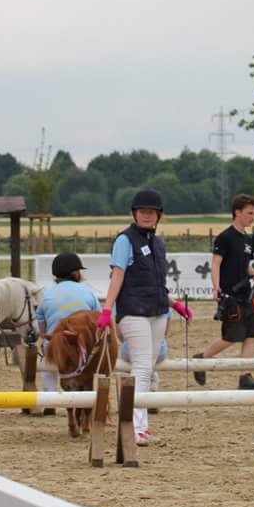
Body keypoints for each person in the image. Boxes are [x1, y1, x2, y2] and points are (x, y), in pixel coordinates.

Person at [96, 189, 193, 446]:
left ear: (159, 215)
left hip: (158, 311)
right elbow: (117, 277)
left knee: (148, 368)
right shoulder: (124, 241)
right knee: (140, 366)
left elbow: (156, 284)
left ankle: (141, 426)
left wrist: (175, 304)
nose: (147, 216)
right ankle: (133, 426)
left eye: (151, 212)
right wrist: (107, 310)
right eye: (142, 212)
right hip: (133, 312)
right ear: (135, 214)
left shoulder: (158, 243)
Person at [192, 193, 254, 390]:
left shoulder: (247, 239)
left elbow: (245, 265)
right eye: (250, 213)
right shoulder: (225, 237)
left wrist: (253, 273)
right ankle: (201, 359)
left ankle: (245, 377)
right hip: (230, 296)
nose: (253, 217)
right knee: (232, 336)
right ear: (237, 212)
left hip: (246, 294)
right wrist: (216, 288)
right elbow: (216, 264)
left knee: (252, 333)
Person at [37, 252, 101, 397]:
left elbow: (42, 330)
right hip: (81, 350)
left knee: (47, 358)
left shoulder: (47, 295)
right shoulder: (88, 293)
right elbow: (98, 319)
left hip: (55, 349)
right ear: (75, 274)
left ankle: (49, 394)